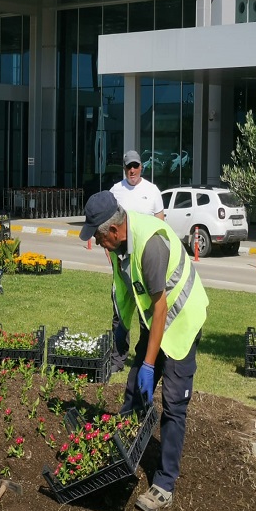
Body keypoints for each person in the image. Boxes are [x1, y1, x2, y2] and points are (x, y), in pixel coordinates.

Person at [80, 191, 208, 511]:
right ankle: (119, 457)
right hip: (157, 320)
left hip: (181, 321)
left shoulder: (149, 243)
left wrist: (150, 364)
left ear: (113, 230)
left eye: (97, 235)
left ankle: (164, 484)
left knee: (174, 403)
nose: (96, 242)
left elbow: (161, 307)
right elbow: (122, 291)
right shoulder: (117, 247)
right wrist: (120, 338)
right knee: (134, 389)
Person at [107, 150, 166, 373]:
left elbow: (161, 227)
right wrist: (110, 256)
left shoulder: (152, 191)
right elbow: (107, 226)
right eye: (128, 167)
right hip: (121, 263)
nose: (132, 170)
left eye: (135, 166)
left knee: (146, 311)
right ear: (124, 169)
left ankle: (144, 357)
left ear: (142, 167)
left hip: (144, 263)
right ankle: (117, 359)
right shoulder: (116, 191)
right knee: (120, 311)